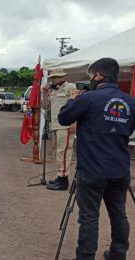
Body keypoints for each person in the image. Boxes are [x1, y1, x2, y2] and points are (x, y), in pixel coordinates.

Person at [58, 58, 135, 260]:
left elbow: (64, 118)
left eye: (91, 75)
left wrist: (72, 100)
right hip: (120, 169)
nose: (90, 79)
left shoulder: (88, 98)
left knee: (89, 217)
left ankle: (85, 257)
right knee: (119, 213)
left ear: (98, 75)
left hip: (92, 169)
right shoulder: (130, 102)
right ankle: (118, 254)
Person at [43, 68, 77, 191]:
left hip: (66, 125)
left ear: (62, 77)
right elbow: (45, 106)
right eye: (52, 77)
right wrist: (45, 93)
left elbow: (76, 104)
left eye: (56, 77)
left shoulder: (70, 87)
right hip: (56, 125)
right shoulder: (52, 90)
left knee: (64, 152)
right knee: (59, 152)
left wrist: (74, 122)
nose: (53, 79)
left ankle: (64, 180)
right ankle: (60, 176)